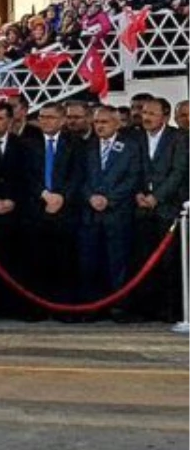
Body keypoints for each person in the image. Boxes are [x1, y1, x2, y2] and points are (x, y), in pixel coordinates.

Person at [79, 106, 142, 317]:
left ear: (117, 123)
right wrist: (91, 197)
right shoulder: (86, 147)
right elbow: (81, 177)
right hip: (91, 214)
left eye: (105, 122)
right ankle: (93, 306)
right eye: (97, 122)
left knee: (118, 262)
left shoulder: (130, 147)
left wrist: (110, 199)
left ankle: (119, 305)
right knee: (90, 261)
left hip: (118, 213)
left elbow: (132, 178)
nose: (100, 126)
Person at [24, 103, 83, 312]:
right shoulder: (29, 143)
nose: (45, 121)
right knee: (37, 259)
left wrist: (61, 197)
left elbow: (78, 175)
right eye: (42, 117)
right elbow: (26, 176)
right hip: (37, 209)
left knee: (65, 260)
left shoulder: (75, 144)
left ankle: (63, 307)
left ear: (61, 120)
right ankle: (38, 307)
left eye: (50, 117)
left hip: (66, 211)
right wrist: (44, 194)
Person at [132, 98, 187, 321]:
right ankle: (147, 309)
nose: (146, 117)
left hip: (168, 208)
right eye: (144, 112)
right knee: (143, 261)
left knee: (169, 263)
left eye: (152, 113)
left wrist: (157, 197)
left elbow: (178, 172)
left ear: (165, 117)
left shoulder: (179, 138)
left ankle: (170, 310)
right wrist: (138, 193)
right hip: (141, 208)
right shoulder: (135, 138)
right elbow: (132, 168)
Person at [0, 102, 30, 319]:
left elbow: (28, 178)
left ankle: (15, 306)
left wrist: (13, 200)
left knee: (16, 262)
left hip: (16, 214)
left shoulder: (23, 145)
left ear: (10, 121)